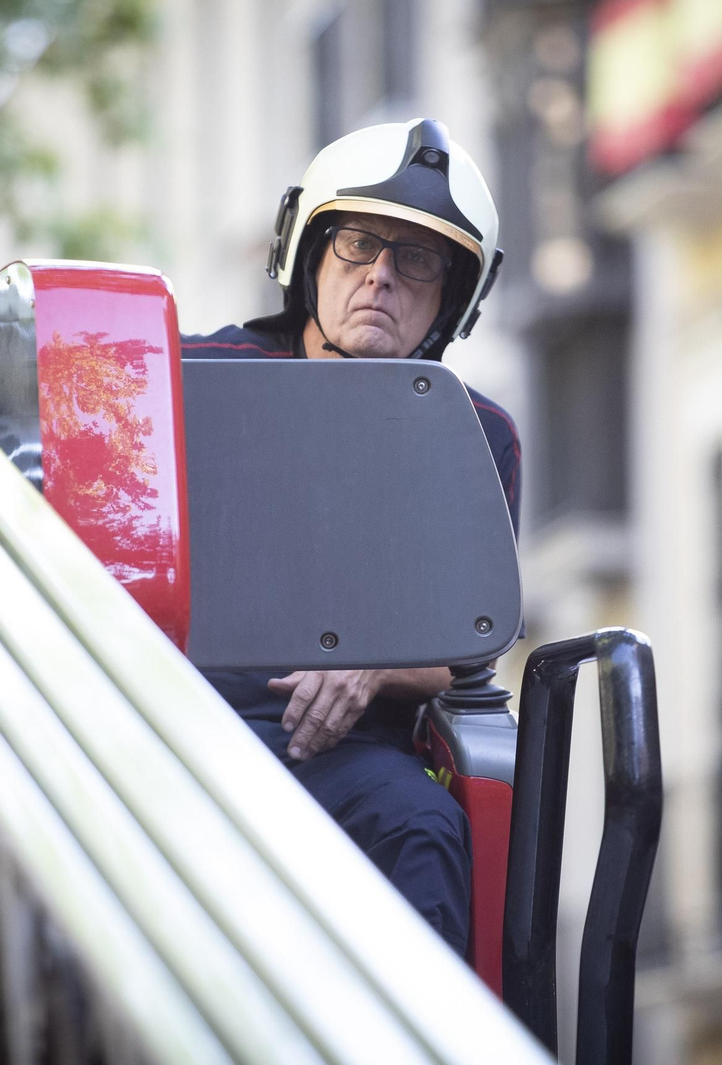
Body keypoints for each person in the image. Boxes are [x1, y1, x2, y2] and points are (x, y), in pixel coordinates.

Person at [181, 118, 517, 958]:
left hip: (346, 758)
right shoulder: (189, 374)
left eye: (419, 261)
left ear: (454, 297)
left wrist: (373, 662)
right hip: (174, 727)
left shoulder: (475, 432)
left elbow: (469, 640)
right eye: (359, 244)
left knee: (425, 826)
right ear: (308, 254)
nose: (382, 278)